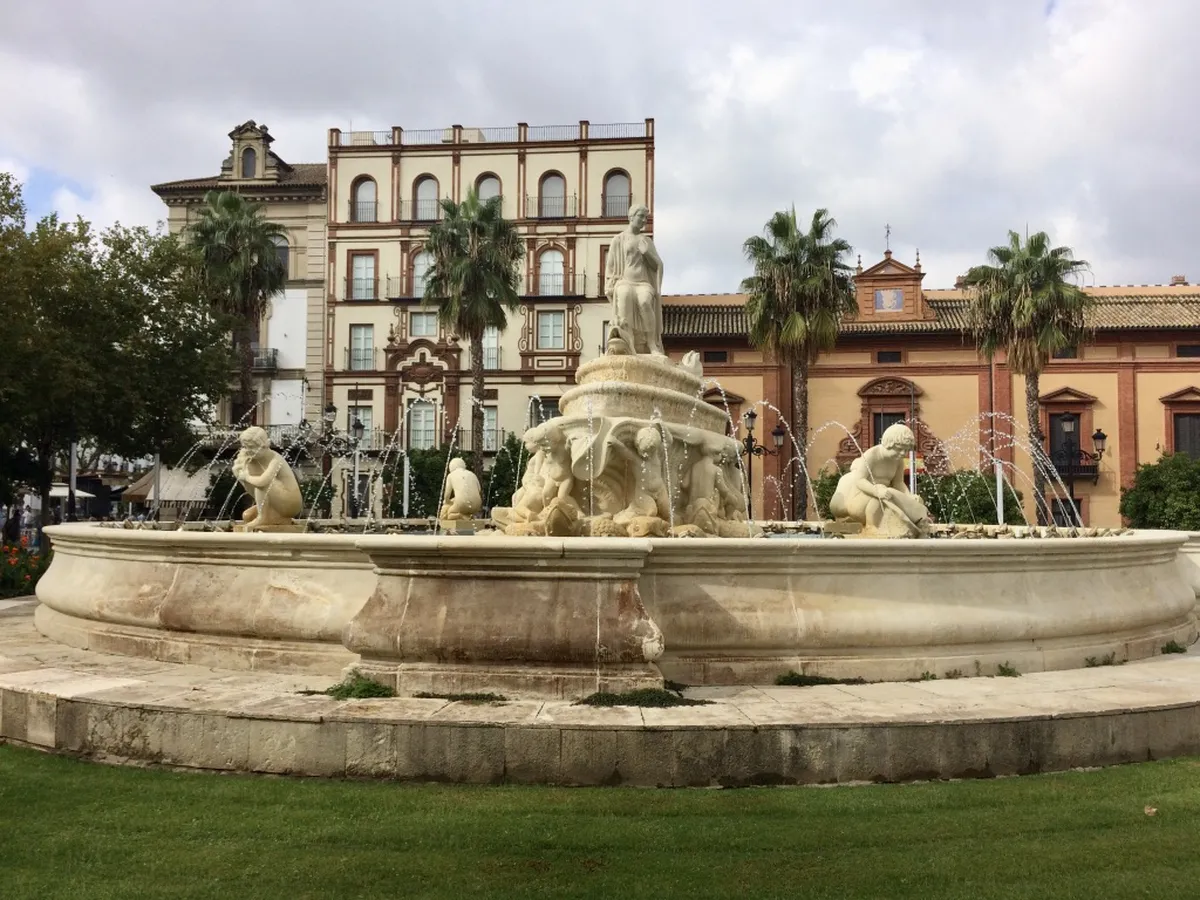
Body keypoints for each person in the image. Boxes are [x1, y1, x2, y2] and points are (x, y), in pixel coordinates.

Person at [829, 422, 931, 537]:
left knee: (904, 498)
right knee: (885, 493)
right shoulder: (872, 455)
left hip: (884, 497)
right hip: (860, 499)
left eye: (906, 450)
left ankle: (916, 523)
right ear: (888, 444)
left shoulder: (898, 461)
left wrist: (909, 496)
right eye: (899, 449)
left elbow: (898, 483)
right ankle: (873, 528)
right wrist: (876, 491)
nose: (903, 453)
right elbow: (859, 481)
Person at [604, 204, 665, 356]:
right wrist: (609, 284)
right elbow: (610, 265)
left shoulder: (646, 241)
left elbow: (657, 265)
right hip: (625, 281)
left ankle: (651, 343)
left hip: (643, 282)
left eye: (646, 218)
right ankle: (628, 341)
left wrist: (647, 253)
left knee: (644, 302)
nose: (644, 220)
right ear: (631, 217)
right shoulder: (618, 240)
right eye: (641, 216)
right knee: (624, 297)